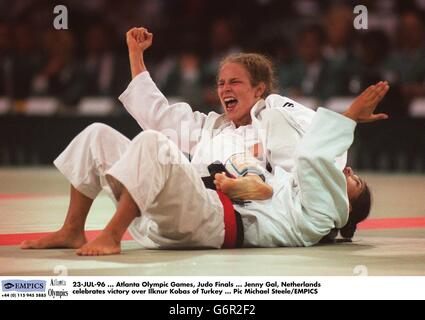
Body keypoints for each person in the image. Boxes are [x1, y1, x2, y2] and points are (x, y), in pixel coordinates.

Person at [20, 27, 388, 255]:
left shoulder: (287, 140)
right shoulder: (214, 128)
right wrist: (136, 56)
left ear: (259, 90)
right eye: (221, 83)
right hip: (178, 209)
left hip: (215, 215)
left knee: (153, 145)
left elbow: (313, 156)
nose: (224, 89)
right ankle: (72, 230)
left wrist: (348, 117)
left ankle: (112, 234)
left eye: (235, 83)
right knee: (97, 135)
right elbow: (158, 115)